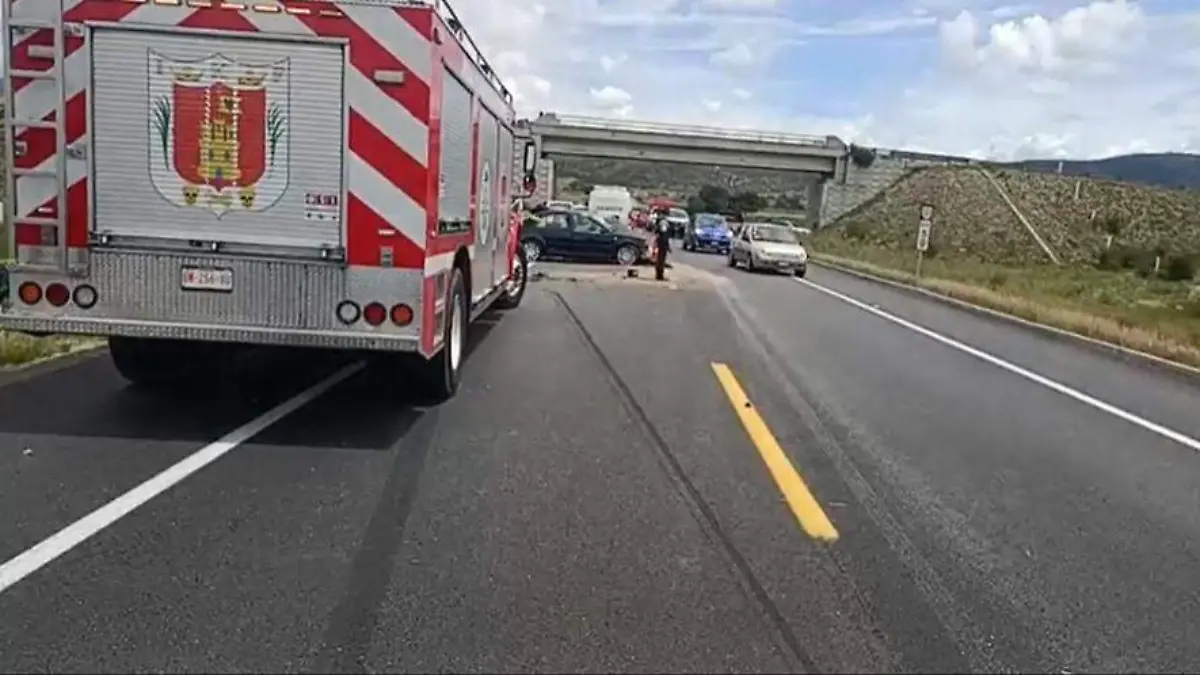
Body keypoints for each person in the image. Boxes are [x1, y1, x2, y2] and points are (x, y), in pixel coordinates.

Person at [652, 207, 671, 281]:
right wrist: (667, 245)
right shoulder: (663, 222)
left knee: (660, 258)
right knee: (661, 259)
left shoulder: (660, 221)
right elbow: (664, 233)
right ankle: (659, 275)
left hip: (660, 241)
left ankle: (659, 275)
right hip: (662, 242)